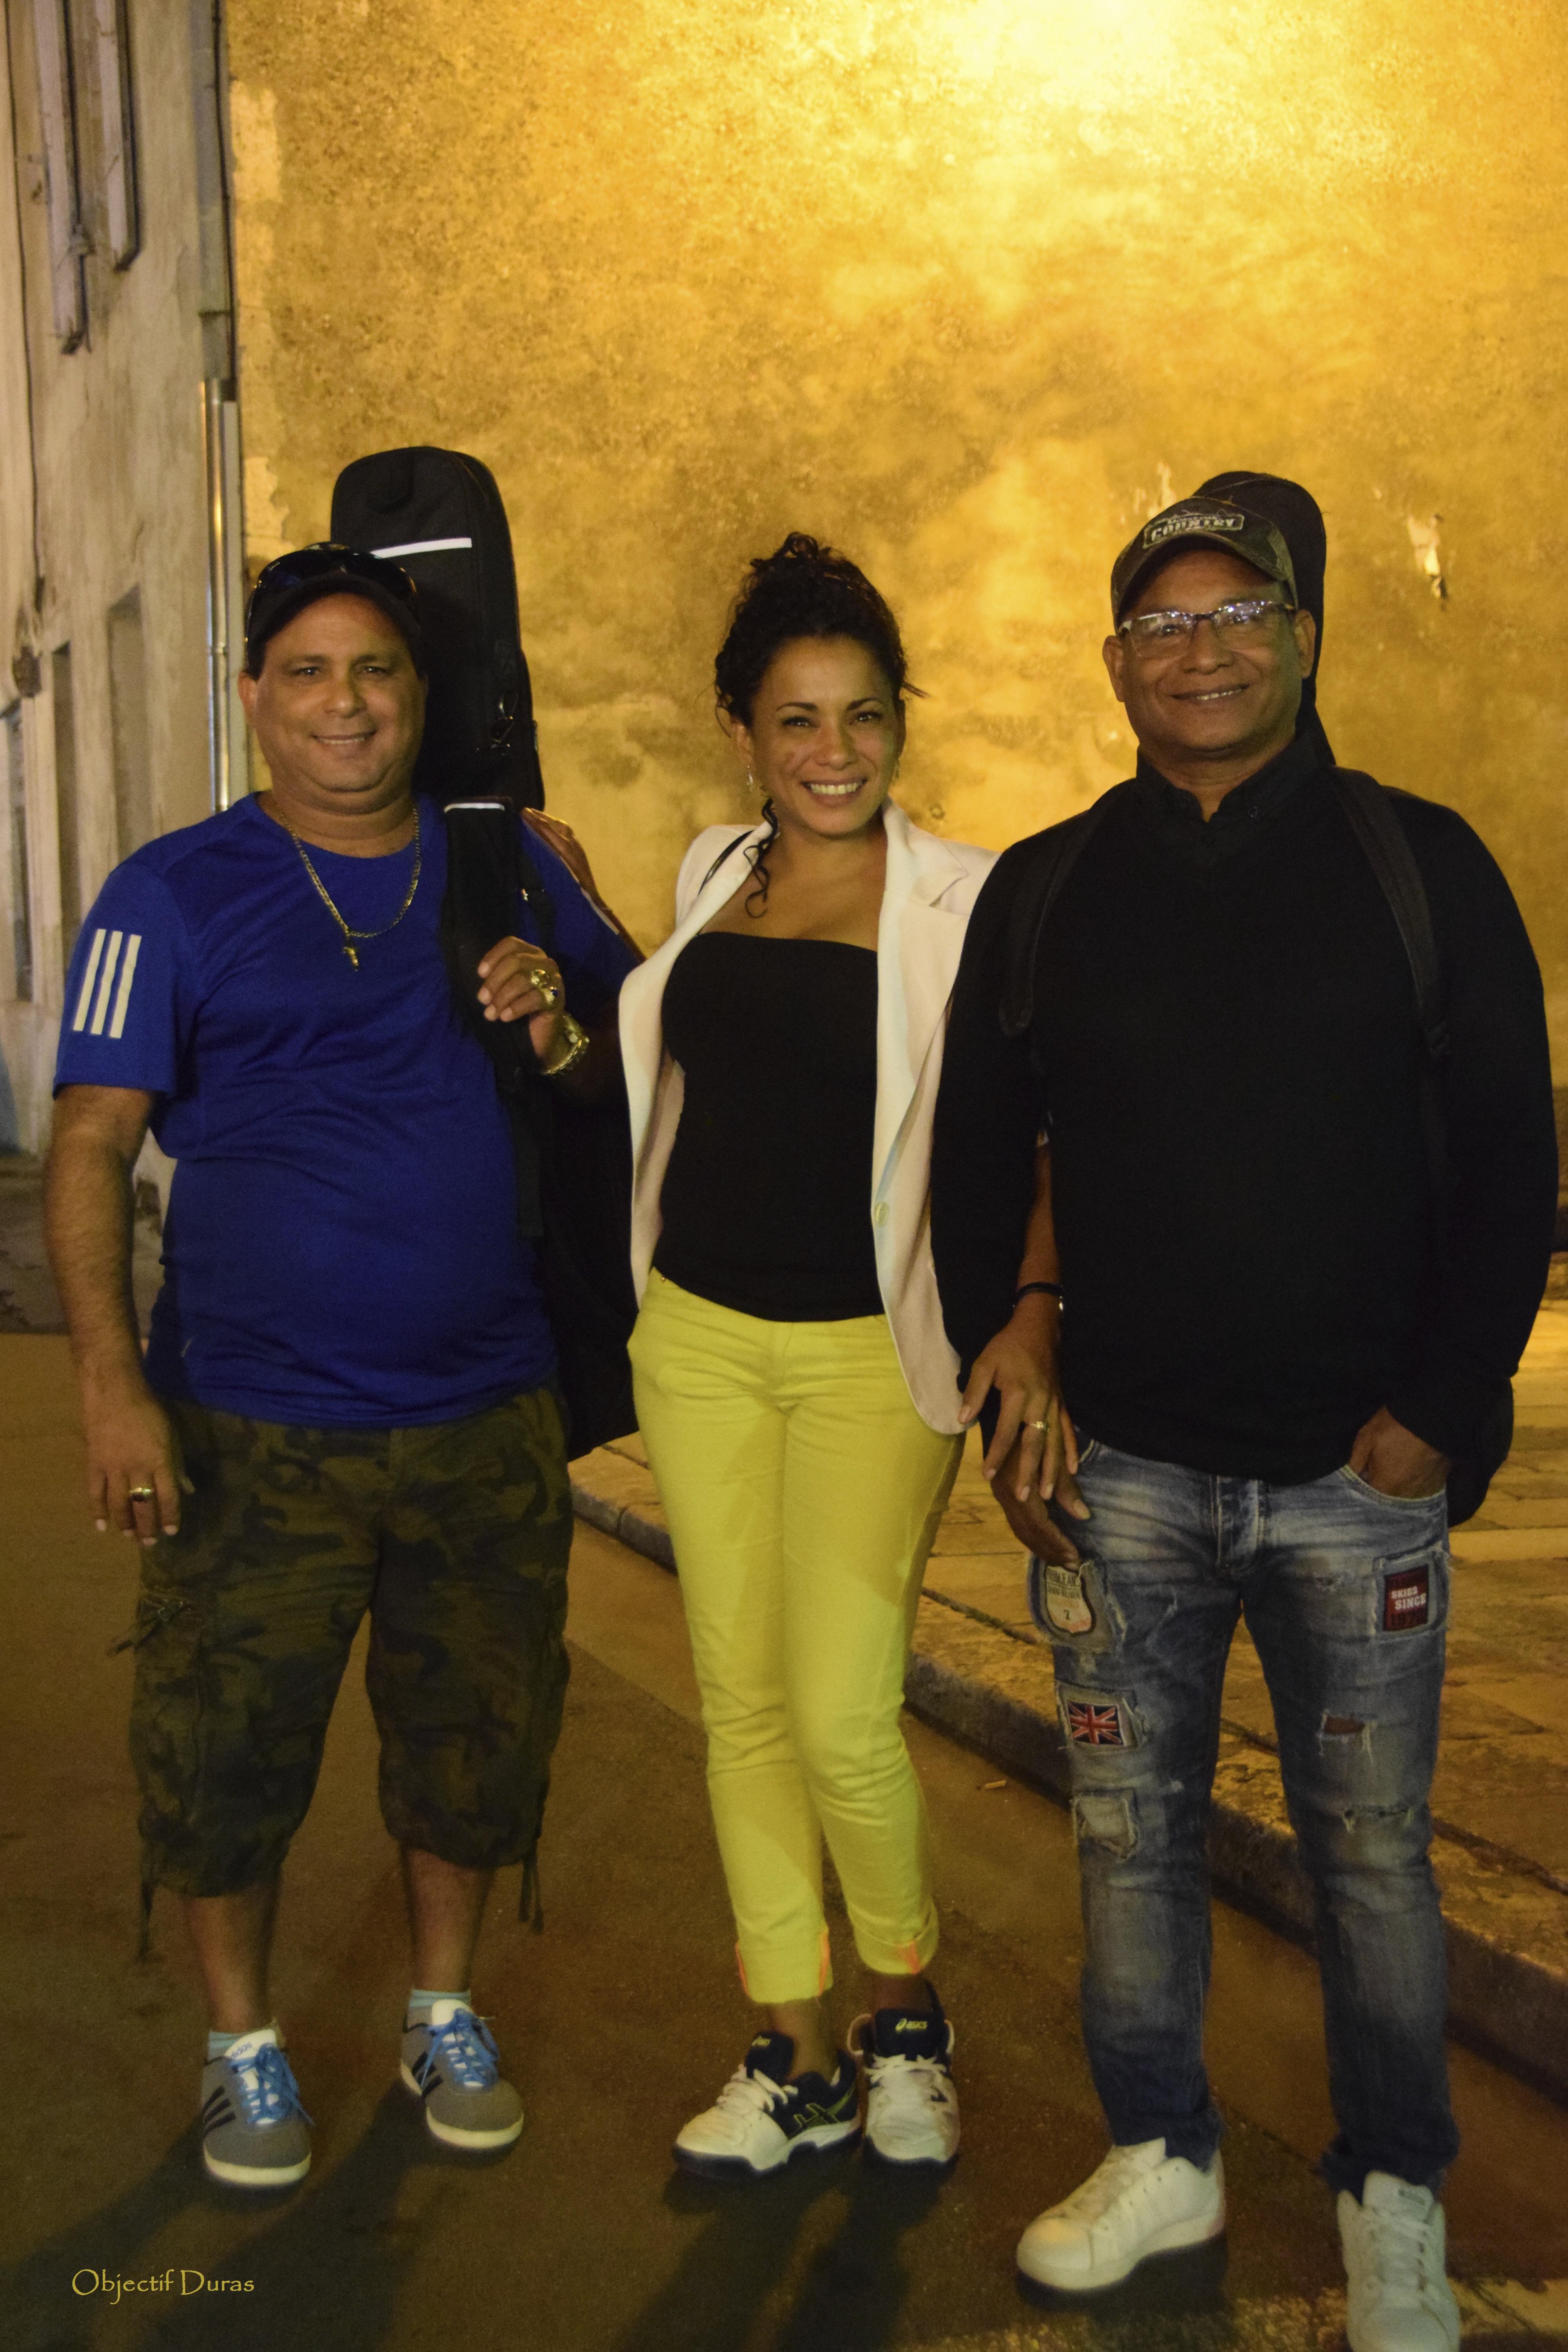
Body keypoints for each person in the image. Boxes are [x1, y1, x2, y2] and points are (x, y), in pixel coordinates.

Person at [930, 479, 1557, 2349]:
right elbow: (979, 1147)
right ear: (1114, 662)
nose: (1196, 652)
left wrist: (1442, 1405)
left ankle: (1392, 2195)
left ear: (1302, 639)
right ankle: (1162, 2153)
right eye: (1161, 624)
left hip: (1356, 1477)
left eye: (1235, 617)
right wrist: (1003, 1353)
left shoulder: (1416, 865)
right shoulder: (1051, 887)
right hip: (1125, 1472)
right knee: (1127, 1835)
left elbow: (1513, 1156)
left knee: (1368, 1855)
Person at [45, 545, 639, 2188]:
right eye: (305, 671)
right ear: (254, 697)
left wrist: (561, 1018)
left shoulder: (508, 867)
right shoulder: (168, 893)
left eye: (375, 669)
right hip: (249, 1425)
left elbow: (638, 1066)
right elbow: (89, 1141)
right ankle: (242, 2043)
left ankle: (442, 2007)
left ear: (419, 694)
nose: (345, 704)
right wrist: (109, 1381)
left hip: (484, 1413)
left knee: (475, 1738)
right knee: (224, 1748)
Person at [619, 535, 996, 2176]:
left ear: (900, 718)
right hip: (698, 1338)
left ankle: (905, 2017)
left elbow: (1024, 1133)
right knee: (742, 1706)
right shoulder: (712, 872)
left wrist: (1033, 1327)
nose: (834, 752)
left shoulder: (963, 900)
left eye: (863, 715)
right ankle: (794, 2049)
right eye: (796, 719)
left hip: (865, 1355)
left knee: (842, 1711)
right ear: (743, 732)